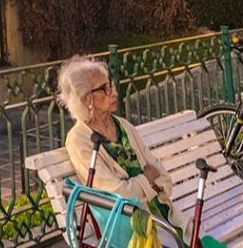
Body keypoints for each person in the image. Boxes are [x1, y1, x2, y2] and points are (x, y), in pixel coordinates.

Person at [57, 57, 180, 230]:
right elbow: (116, 195)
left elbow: (163, 176)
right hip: (131, 226)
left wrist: (139, 187)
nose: (114, 93)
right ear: (87, 99)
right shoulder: (79, 140)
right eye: (105, 88)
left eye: (111, 85)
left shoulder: (123, 126)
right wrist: (146, 180)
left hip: (163, 214)